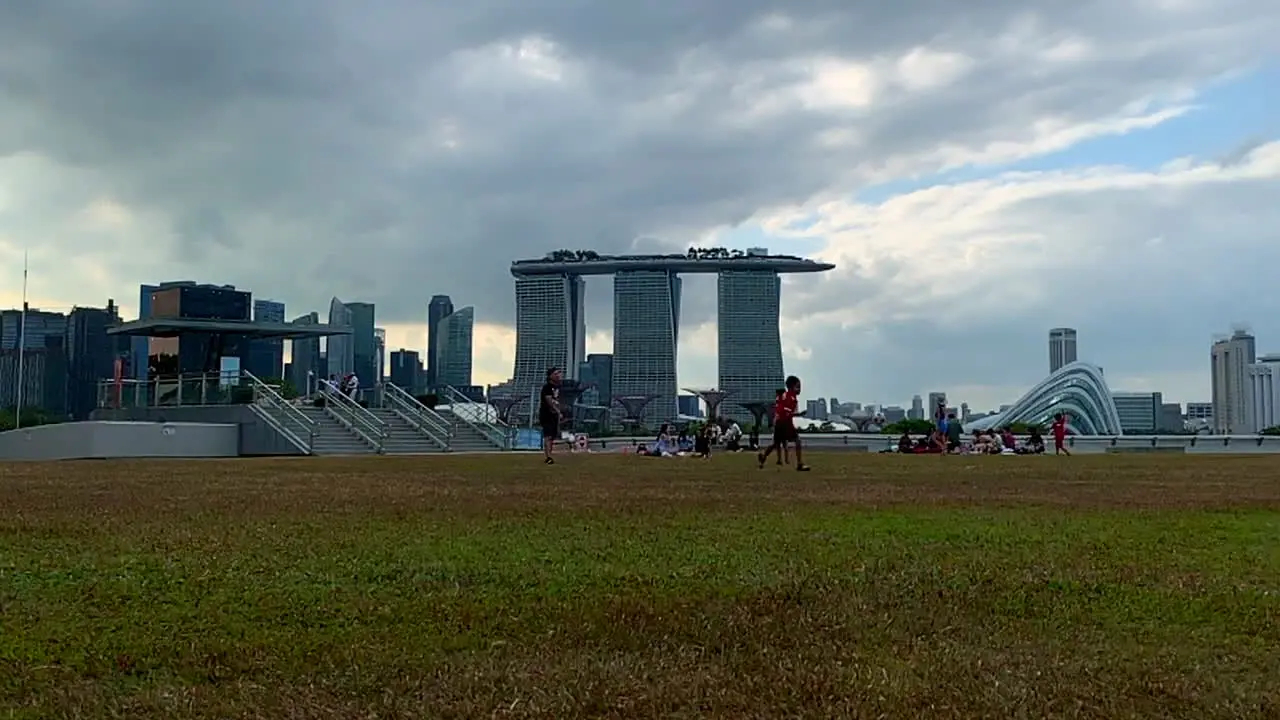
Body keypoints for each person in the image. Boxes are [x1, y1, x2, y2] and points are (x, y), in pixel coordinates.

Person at [758, 376, 811, 471]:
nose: (799, 389)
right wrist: (798, 414)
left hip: (781, 423)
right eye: (798, 387)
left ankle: (763, 456)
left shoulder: (788, 396)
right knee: (797, 440)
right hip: (784, 423)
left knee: (775, 444)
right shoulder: (789, 397)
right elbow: (784, 411)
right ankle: (799, 464)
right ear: (791, 387)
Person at [539, 367, 564, 465]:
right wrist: (558, 411)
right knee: (548, 436)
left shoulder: (557, 387)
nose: (559, 375)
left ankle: (550, 455)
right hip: (547, 414)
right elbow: (549, 401)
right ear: (550, 376)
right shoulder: (547, 387)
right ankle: (548, 457)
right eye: (556, 373)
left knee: (552, 436)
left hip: (554, 415)